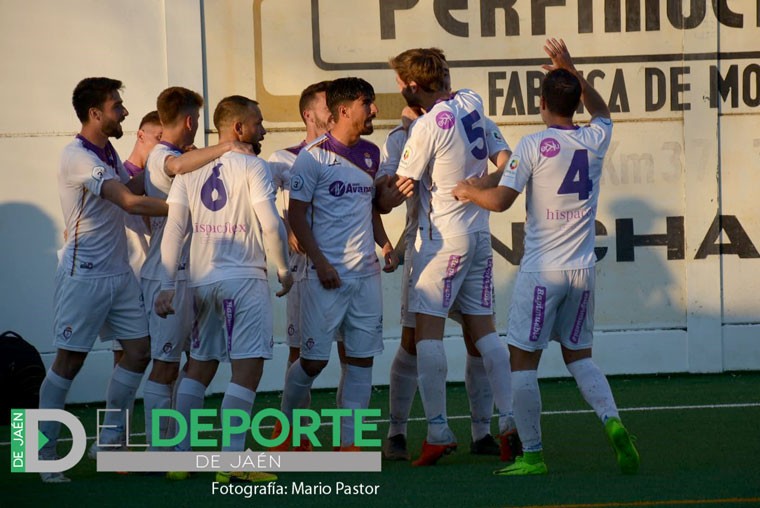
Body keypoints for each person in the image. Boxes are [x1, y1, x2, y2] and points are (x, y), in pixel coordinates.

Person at [452, 38, 640, 476]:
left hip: (542, 272)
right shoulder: (596, 136)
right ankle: (613, 423)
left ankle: (533, 454)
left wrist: (468, 191)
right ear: (574, 100)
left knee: (522, 362)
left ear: (541, 103)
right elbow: (604, 112)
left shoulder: (533, 145)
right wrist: (571, 68)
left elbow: (499, 202)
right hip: (581, 271)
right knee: (580, 358)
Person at [154, 95, 291, 484]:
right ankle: (233, 461)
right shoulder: (253, 166)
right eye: (258, 123)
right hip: (243, 280)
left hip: (201, 281)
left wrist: (168, 285)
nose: (263, 129)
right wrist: (282, 269)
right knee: (247, 368)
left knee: (200, 364)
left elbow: (174, 231)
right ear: (238, 129)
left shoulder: (188, 172)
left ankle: (180, 457)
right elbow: (270, 224)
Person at [38, 77, 169, 483]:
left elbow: (129, 186)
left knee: (139, 351)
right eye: (117, 106)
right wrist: (184, 210)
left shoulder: (106, 150)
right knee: (68, 361)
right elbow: (128, 200)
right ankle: (39, 454)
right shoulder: (76, 155)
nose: (125, 112)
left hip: (119, 275)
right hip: (84, 277)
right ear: (95, 114)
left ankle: (108, 443)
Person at [391, 48, 516, 466]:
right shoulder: (472, 102)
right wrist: (483, 182)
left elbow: (399, 188)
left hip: (441, 241)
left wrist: (369, 195)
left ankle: (439, 430)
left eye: (400, 84)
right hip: (479, 235)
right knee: (484, 332)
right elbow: (504, 161)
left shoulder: (426, 127)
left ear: (412, 86)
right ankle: (509, 422)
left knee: (427, 333)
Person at [279, 77, 396, 451]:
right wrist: (320, 262)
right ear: (344, 110)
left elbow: (371, 208)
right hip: (324, 277)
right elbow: (295, 217)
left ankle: (349, 445)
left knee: (361, 361)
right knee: (313, 363)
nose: (374, 109)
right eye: (368, 102)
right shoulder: (312, 157)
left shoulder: (371, 154)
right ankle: (288, 436)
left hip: (366, 276)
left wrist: (386, 243)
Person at [140, 87, 255, 450]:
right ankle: (162, 451)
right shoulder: (164, 155)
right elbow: (175, 168)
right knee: (165, 364)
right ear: (190, 121)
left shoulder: (186, 155)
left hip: (195, 272)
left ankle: (180, 447)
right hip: (168, 273)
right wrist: (225, 146)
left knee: (198, 361)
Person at [113, 110, 162, 366]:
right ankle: (122, 407)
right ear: (140, 134)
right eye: (158, 138)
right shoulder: (117, 177)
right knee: (123, 354)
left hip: (158, 275)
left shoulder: (167, 175)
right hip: (128, 277)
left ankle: (171, 407)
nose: (161, 147)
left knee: (167, 354)